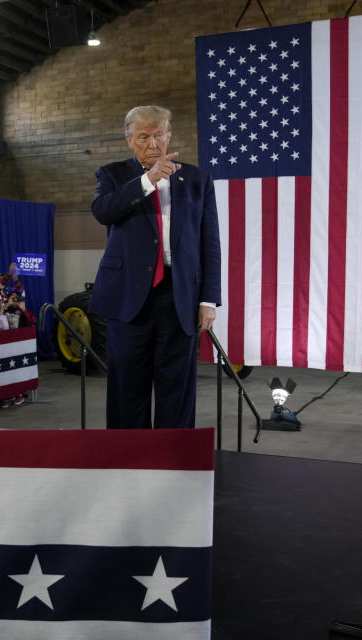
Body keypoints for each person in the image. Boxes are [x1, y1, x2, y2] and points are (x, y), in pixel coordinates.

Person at [89, 105, 221, 429]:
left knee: (176, 389)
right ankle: (128, 461)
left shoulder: (197, 180)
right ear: (129, 140)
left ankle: (173, 462)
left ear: (169, 135)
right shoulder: (112, 174)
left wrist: (208, 300)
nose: (153, 143)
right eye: (144, 136)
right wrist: (147, 180)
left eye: (159, 134)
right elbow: (103, 211)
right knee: (127, 388)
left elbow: (210, 244)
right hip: (129, 299)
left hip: (180, 297)